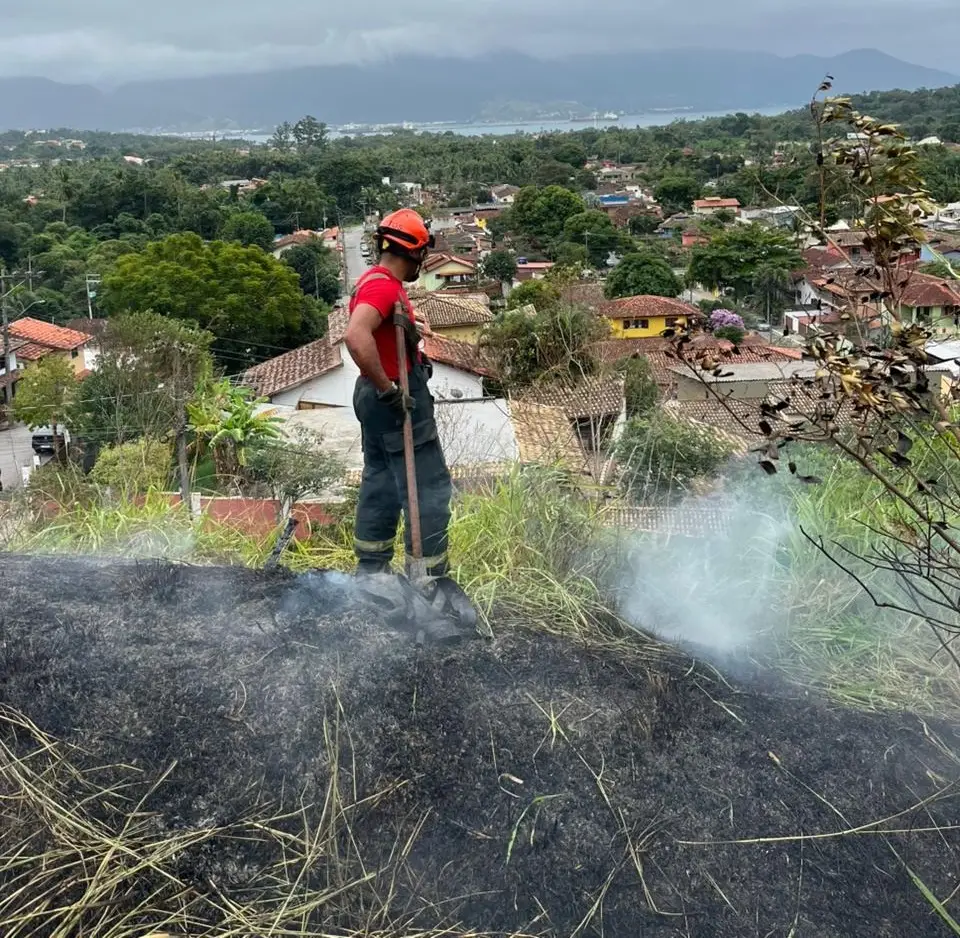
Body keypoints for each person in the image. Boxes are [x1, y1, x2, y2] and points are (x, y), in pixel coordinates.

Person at [344, 209, 459, 592]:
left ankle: (373, 575)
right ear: (413, 255)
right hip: (395, 398)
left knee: (380, 481)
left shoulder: (374, 281)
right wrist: (390, 390)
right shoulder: (384, 288)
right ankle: (428, 581)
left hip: (373, 398)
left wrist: (411, 326)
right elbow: (357, 337)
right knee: (427, 488)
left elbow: (378, 331)